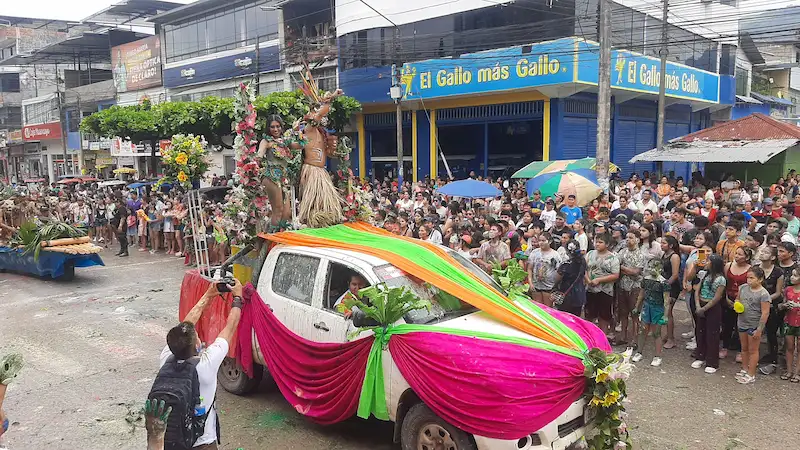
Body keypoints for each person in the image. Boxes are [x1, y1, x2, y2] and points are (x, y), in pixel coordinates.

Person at [152, 278, 244, 450]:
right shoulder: (206, 364)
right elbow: (230, 327)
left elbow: (185, 328)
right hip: (202, 442)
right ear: (196, 345)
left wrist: (208, 295)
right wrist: (238, 298)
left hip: (172, 440)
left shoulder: (166, 356)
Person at [298, 88, 345, 228]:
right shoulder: (309, 128)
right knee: (314, 204)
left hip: (321, 172)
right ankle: (313, 221)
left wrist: (334, 148)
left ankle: (322, 221)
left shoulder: (322, 133)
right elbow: (319, 114)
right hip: (312, 171)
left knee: (326, 204)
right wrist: (330, 98)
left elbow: (329, 154)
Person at [257, 114, 303, 231]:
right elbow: (259, 155)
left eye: (278, 126)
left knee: (287, 212)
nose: (276, 129)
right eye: (272, 127)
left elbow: (300, 146)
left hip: (283, 178)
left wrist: (298, 132)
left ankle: (280, 235)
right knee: (278, 210)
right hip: (271, 176)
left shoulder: (285, 142)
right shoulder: (266, 141)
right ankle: (271, 240)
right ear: (268, 128)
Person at [734, 266, 771, 384]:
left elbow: (765, 313)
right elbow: (737, 299)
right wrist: (737, 304)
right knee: (744, 348)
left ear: (760, 279)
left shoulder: (763, 294)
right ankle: (745, 369)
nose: (749, 280)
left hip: (754, 324)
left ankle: (751, 373)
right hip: (742, 322)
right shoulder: (743, 288)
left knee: (753, 350)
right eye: (747, 277)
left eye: (752, 278)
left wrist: (759, 329)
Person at [692, 254, 727, 374]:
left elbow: (717, 297)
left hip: (712, 307)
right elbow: (697, 290)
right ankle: (700, 355)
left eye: (708, 261)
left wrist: (705, 308)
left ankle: (712, 362)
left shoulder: (721, 279)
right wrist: (697, 305)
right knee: (700, 331)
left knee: (712, 334)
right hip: (701, 303)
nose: (706, 263)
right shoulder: (705, 275)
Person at [633, 259, 670, 366]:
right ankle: (639, 352)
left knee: (656, 333)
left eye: (655, 267)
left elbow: (667, 301)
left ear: (661, 269)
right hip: (646, 307)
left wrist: (665, 315)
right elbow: (641, 294)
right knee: (643, 330)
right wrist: (637, 307)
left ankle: (657, 356)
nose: (652, 269)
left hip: (658, 309)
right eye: (650, 266)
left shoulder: (664, 283)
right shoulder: (646, 280)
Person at [754, 246, 784, 375]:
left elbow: (778, 292)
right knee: (754, 331)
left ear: (772, 257)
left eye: (766, 252)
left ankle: (773, 359)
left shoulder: (778, 272)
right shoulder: (755, 268)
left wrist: (765, 300)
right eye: (762, 251)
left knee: (771, 333)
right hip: (755, 305)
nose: (762, 253)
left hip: (772, 305)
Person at [585, 232, 620, 338]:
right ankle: (588, 337)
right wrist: (587, 279)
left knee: (603, 317)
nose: (597, 244)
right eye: (596, 242)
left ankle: (602, 338)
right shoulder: (590, 254)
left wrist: (599, 280)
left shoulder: (613, 258)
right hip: (590, 289)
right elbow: (584, 268)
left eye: (600, 242)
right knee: (589, 315)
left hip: (605, 291)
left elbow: (615, 275)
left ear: (607, 244)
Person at [721, 247, 753, 362]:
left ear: (747, 257)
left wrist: (740, 301)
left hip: (743, 301)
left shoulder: (751, 269)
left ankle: (741, 350)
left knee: (741, 326)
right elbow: (723, 283)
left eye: (740, 254)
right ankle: (724, 347)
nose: (737, 256)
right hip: (728, 298)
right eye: (736, 253)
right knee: (726, 325)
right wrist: (725, 298)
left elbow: (751, 287)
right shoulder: (728, 266)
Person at [617, 230, 645, 346]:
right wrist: (624, 270)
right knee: (622, 313)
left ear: (637, 239)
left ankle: (635, 339)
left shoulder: (641, 254)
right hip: (622, 286)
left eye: (631, 237)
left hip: (636, 287)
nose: (628, 240)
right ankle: (623, 336)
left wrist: (621, 267)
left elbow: (636, 272)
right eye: (627, 237)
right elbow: (614, 266)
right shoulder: (622, 252)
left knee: (634, 313)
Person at [528, 232, 562, 307]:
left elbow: (559, 271)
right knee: (537, 307)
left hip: (549, 286)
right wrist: (530, 282)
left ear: (549, 241)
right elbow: (530, 268)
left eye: (543, 241)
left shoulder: (555, 255)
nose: (541, 243)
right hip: (536, 284)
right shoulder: (534, 253)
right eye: (539, 240)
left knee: (547, 308)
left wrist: (555, 286)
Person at [553, 239, 586, 316]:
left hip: (566, 295)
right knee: (576, 318)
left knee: (564, 319)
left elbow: (557, 279)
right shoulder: (583, 261)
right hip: (579, 294)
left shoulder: (566, 265)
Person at [780, 268, 800, 382]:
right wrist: (785, 305)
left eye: (795, 276)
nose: (792, 277)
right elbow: (782, 304)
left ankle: (797, 372)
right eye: (792, 275)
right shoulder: (788, 289)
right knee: (789, 347)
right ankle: (789, 371)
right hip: (789, 321)